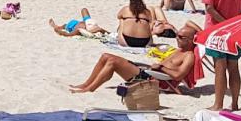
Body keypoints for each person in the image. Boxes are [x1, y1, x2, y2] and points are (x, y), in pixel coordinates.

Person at [69, 25, 199, 93]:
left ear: (190, 40)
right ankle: (87, 84)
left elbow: (178, 75)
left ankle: (90, 88)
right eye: (177, 35)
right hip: (150, 72)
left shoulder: (189, 56)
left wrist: (161, 67)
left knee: (113, 62)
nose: (177, 38)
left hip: (155, 81)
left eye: (181, 37)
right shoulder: (179, 50)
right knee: (105, 56)